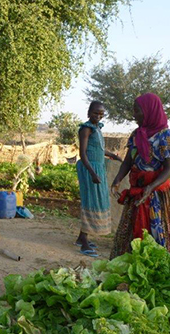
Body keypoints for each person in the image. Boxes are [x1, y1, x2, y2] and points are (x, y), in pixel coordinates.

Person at [110, 93, 170, 258]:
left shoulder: (166, 138)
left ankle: (157, 266)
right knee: (131, 230)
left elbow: (168, 170)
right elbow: (128, 161)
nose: (134, 115)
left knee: (155, 230)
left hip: (155, 194)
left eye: (137, 110)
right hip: (137, 192)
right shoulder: (136, 135)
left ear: (149, 111)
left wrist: (150, 187)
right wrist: (117, 179)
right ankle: (129, 264)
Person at [75, 101, 122, 257]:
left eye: (101, 114)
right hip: (90, 169)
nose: (98, 116)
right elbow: (83, 154)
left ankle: (82, 237)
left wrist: (113, 155)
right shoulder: (86, 129)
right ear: (89, 112)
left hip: (97, 169)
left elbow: (99, 149)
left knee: (96, 201)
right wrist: (93, 174)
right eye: (96, 113)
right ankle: (85, 243)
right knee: (91, 201)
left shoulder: (97, 129)